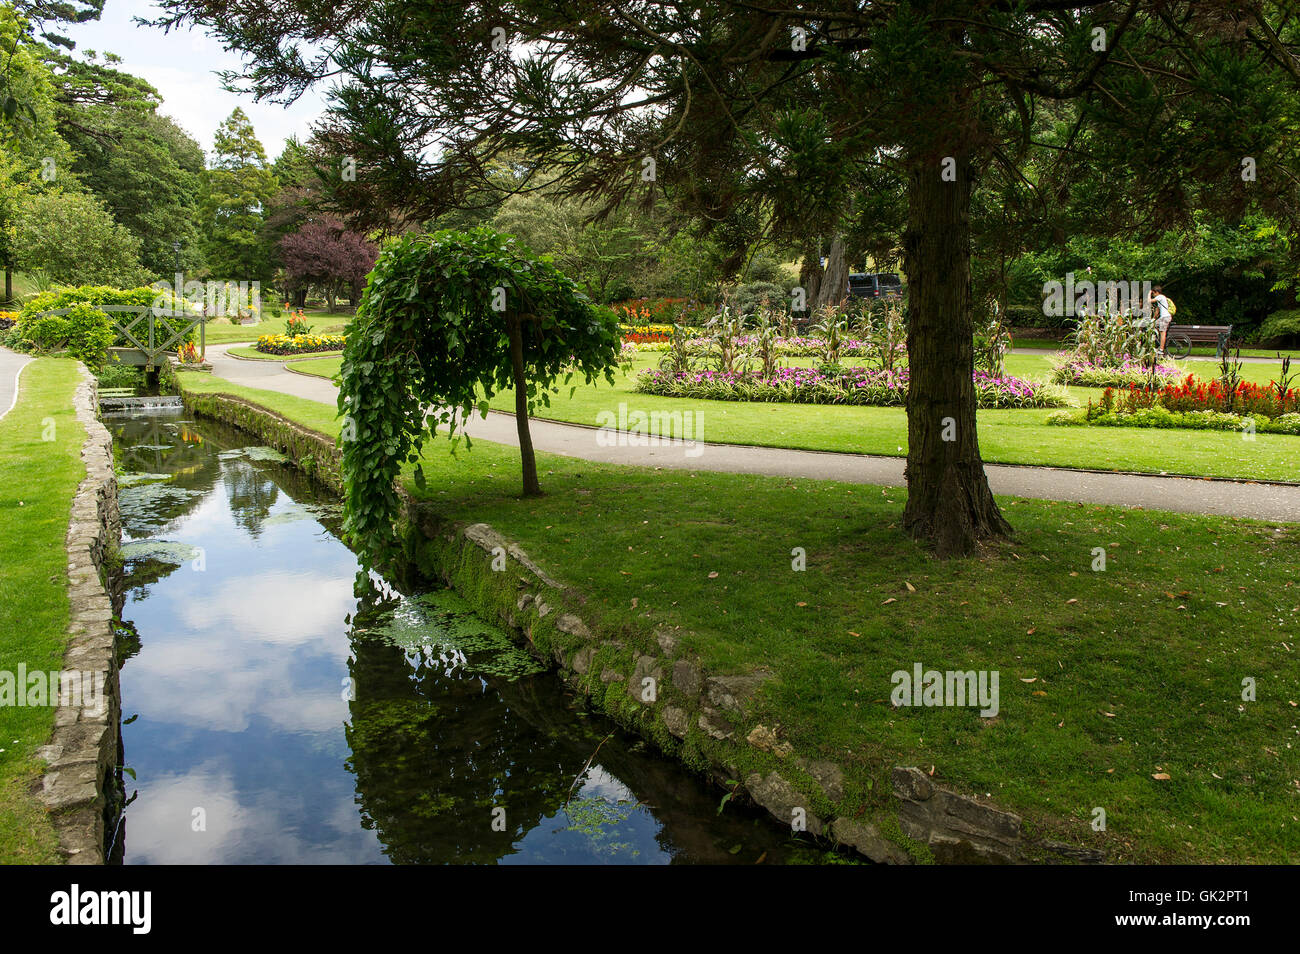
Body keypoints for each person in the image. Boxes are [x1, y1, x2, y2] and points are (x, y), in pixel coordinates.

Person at [1150, 285, 1173, 352]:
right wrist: (1153, 319)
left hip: (1165, 317)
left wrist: (1148, 293)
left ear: (1157, 292)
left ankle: (1161, 350)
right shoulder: (1160, 299)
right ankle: (1157, 343)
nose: (1153, 295)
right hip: (1162, 317)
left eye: (1153, 293)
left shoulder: (1160, 296)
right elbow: (1157, 310)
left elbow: (1150, 301)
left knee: (1162, 332)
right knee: (1152, 326)